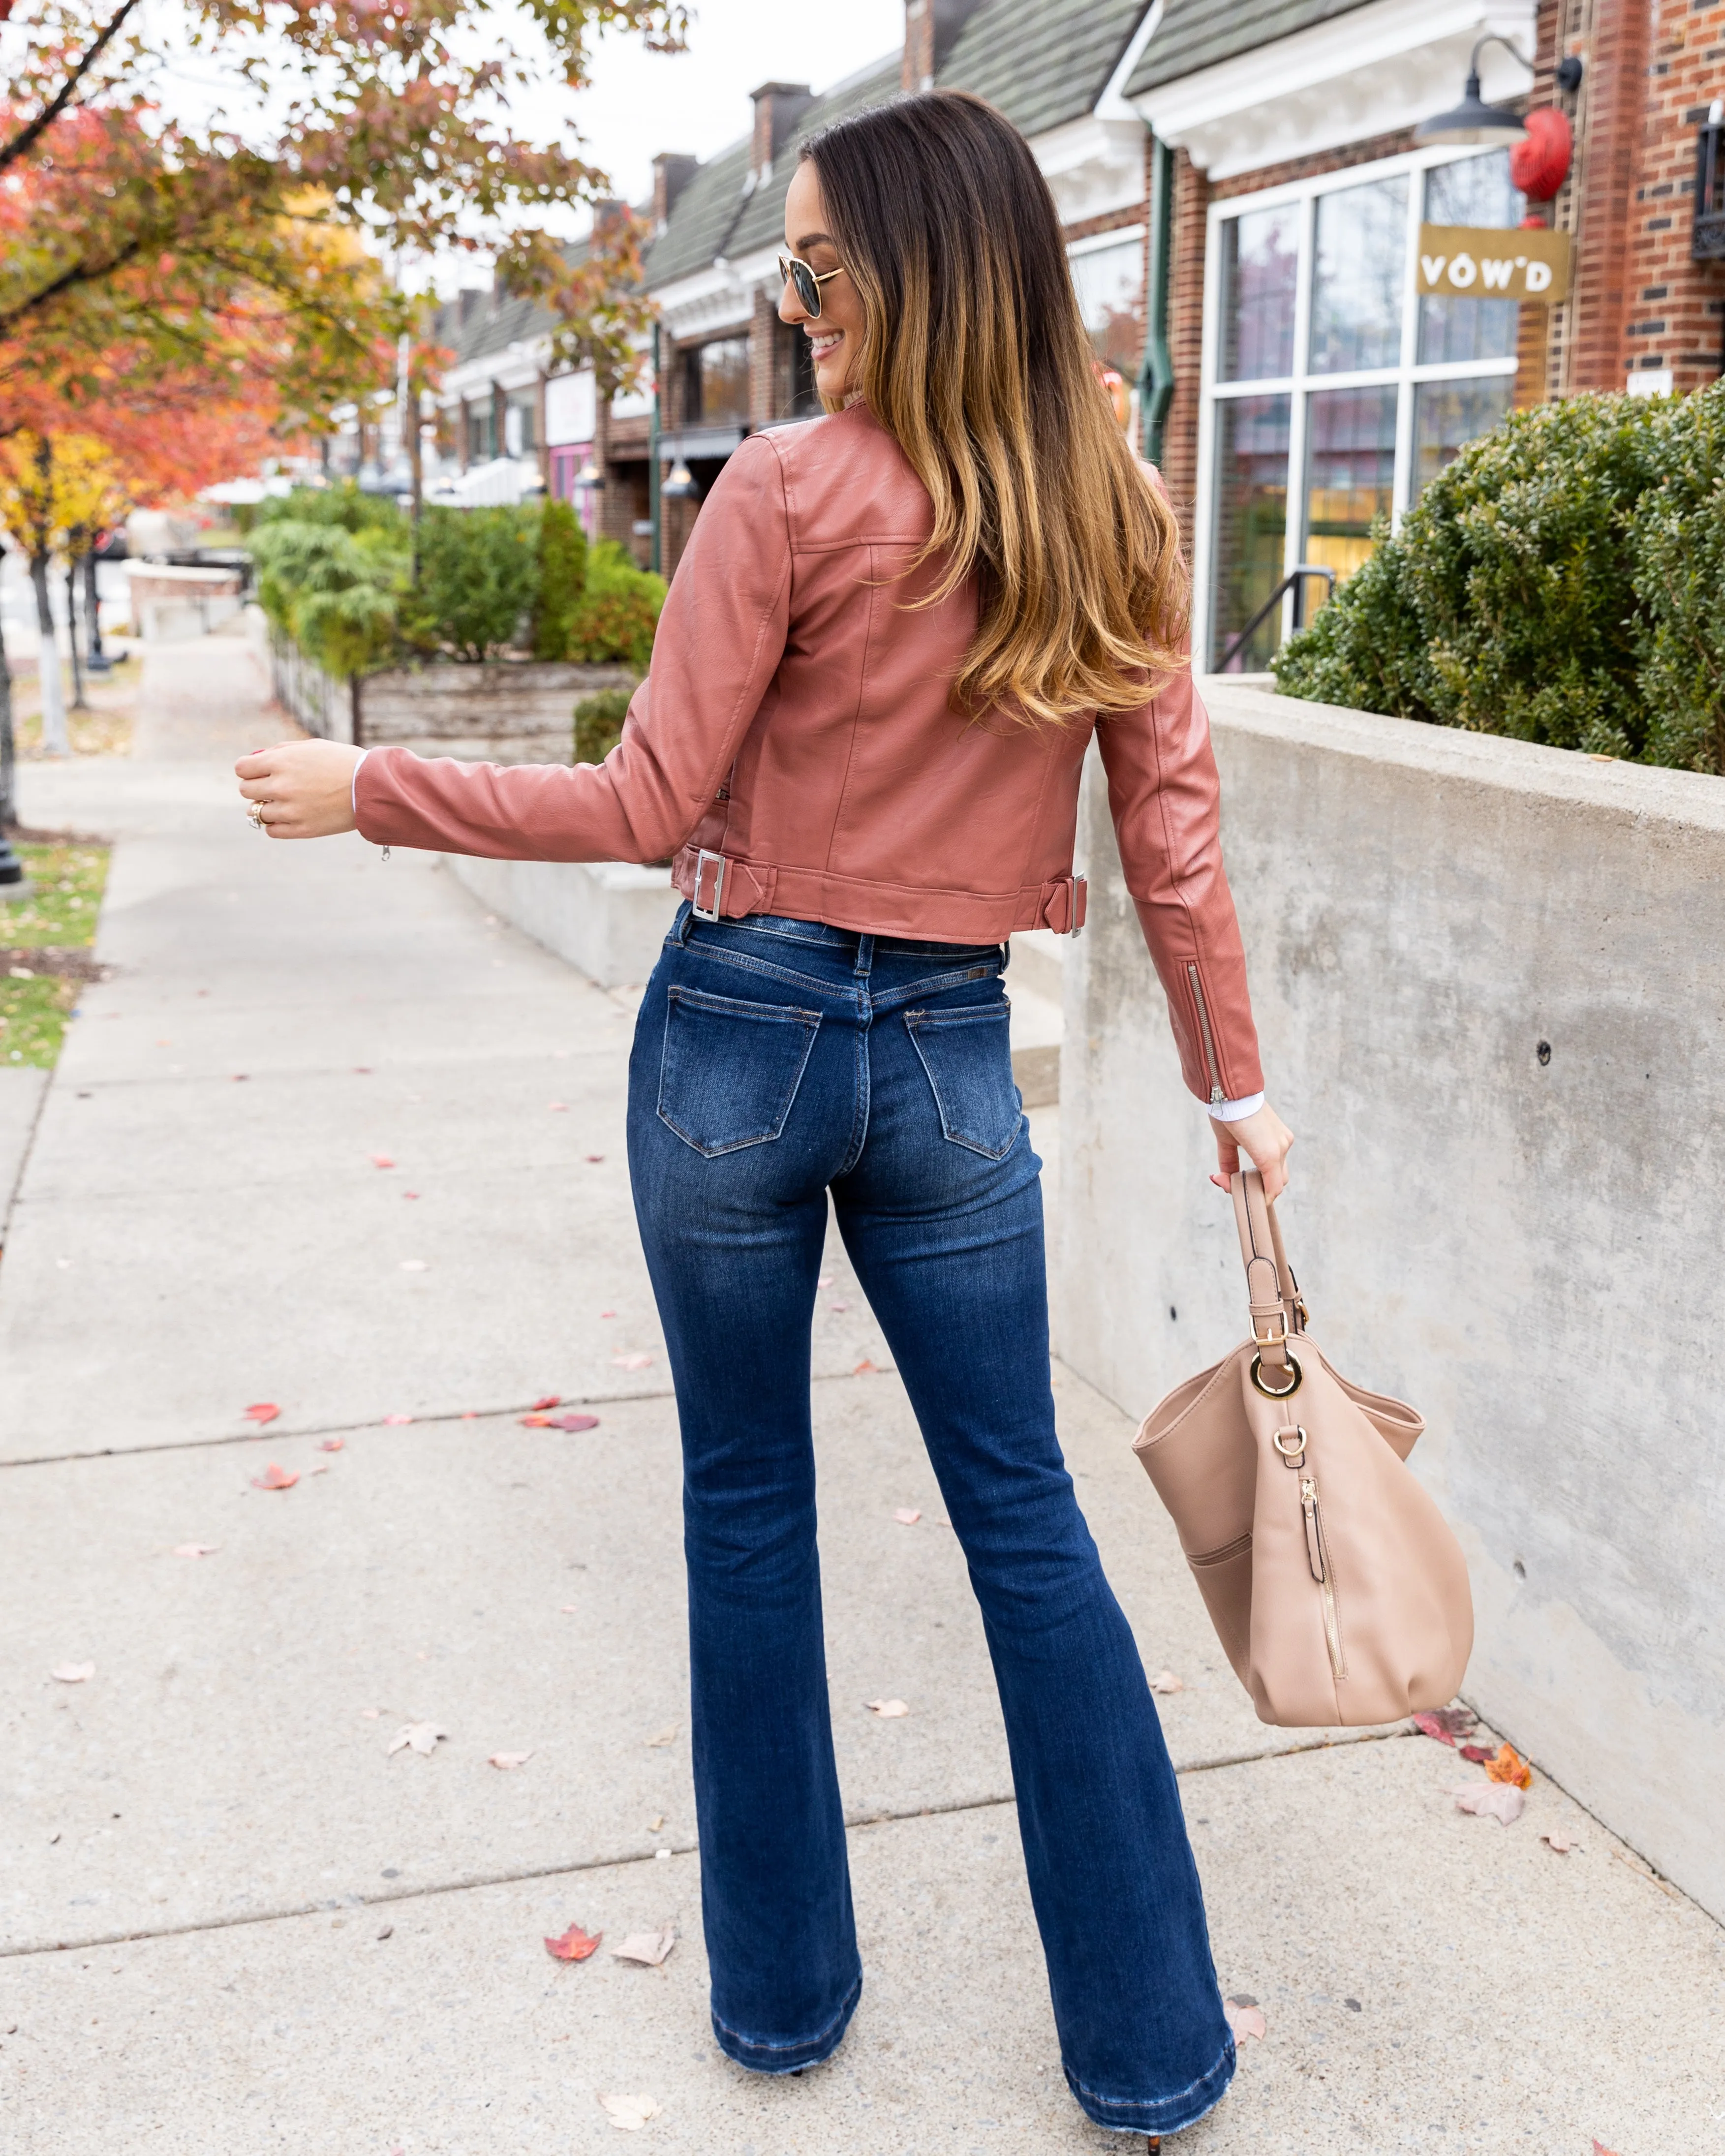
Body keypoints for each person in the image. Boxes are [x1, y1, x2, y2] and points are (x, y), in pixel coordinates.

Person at [238, 89, 1292, 2145]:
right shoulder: (1118, 506)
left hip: (739, 1037)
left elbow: (642, 809)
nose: (796, 306)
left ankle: (785, 2007)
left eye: (815, 268)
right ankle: (1152, 2053)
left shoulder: (788, 496)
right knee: (1028, 1522)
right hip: (952, 1065)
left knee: (747, 1506)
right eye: (786, 270)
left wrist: (369, 789)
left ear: (914, 272)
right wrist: (1233, 1084)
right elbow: (1173, 828)